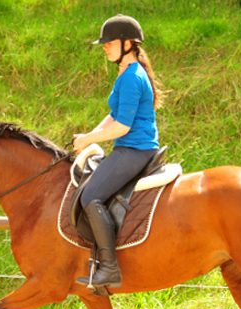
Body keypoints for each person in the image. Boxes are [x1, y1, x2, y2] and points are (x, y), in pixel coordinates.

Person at [73, 14, 163, 289]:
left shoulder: (132, 77)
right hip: (131, 147)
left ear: (126, 43)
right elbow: (114, 115)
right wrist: (89, 138)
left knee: (90, 197)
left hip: (134, 150)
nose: (104, 47)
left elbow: (122, 127)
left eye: (109, 42)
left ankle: (110, 268)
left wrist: (90, 138)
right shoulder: (126, 74)